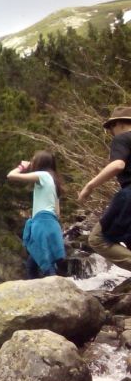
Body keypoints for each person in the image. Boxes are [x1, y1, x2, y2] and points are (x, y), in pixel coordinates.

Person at [78, 106, 131, 271]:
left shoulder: (123, 137)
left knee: (97, 238)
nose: (110, 132)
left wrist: (89, 186)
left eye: (110, 127)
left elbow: (118, 164)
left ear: (120, 124)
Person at [7, 150, 65, 278]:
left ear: (39, 162)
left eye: (33, 160)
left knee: (45, 265)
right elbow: (58, 213)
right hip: (53, 225)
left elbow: (11, 175)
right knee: (32, 265)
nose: (32, 163)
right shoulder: (55, 181)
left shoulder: (42, 175)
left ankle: (55, 289)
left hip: (42, 223)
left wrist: (22, 167)